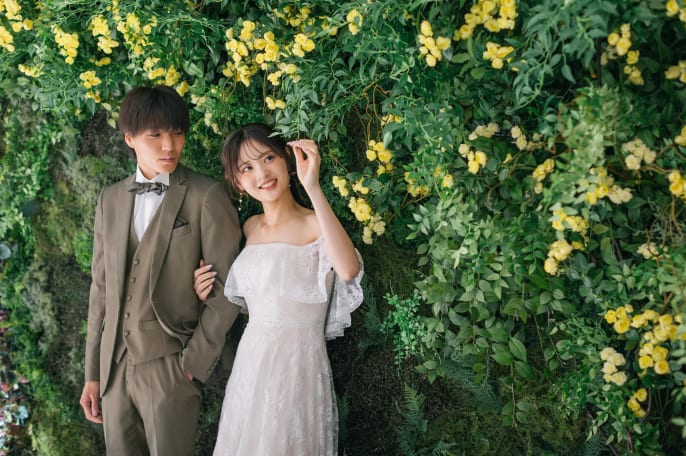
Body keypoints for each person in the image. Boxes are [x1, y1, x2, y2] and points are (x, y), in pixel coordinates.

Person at [79, 85, 242, 456]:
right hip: (114, 369)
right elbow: (101, 289)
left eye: (177, 133)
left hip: (171, 365)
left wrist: (192, 364)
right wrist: (93, 373)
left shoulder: (207, 196)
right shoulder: (109, 199)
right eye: (155, 135)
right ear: (130, 138)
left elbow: (228, 291)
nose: (169, 145)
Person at [193, 123, 363, 455]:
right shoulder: (249, 228)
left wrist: (312, 187)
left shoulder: (315, 222)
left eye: (268, 158)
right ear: (237, 181)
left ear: (286, 158)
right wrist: (204, 291)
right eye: (247, 168)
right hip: (251, 364)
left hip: (297, 364)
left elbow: (348, 270)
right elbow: (250, 298)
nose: (262, 173)